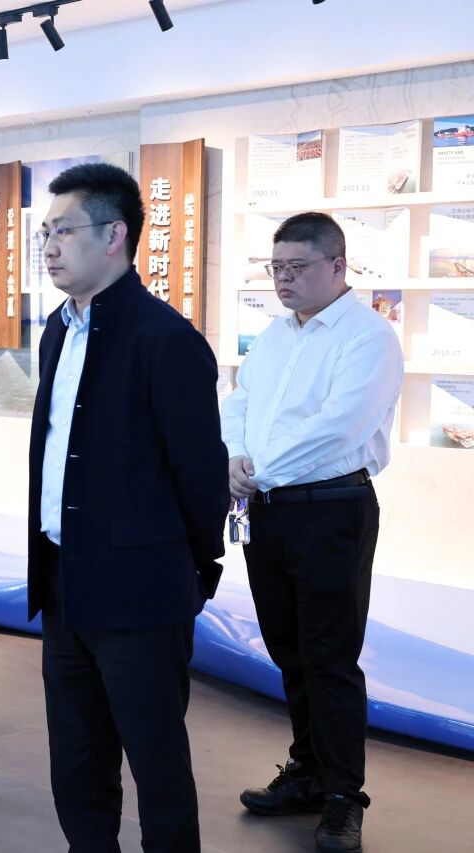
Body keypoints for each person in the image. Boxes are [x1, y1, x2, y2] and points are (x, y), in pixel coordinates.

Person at [27, 163, 229, 852]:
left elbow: (200, 473)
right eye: (44, 233)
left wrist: (195, 568)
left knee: (156, 763)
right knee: (76, 762)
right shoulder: (58, 331)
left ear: (114, 235)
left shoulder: (165, 338)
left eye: (63, 231)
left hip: (142, 589)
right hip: (64, 581)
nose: (49, 246)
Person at [222, 212, 402, 853]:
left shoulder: (368, 336)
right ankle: (306, 772)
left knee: (329, 658)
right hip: (269, 510)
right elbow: (240, 401)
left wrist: (257, 474)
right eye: (277, 268)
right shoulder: (275, 335)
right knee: (288, 650)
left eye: (297, 268)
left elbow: (338, 428)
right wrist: (234, 457)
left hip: (331, 510)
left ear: (338, 266)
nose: (284, 280)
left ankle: (343, 797)